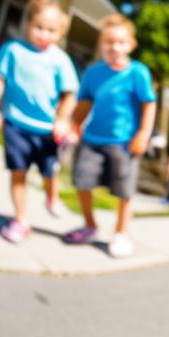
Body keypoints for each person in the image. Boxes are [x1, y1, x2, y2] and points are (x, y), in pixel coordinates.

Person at [0, 0, 79, 242]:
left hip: (47, 131)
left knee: (48, 172)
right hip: (16, 124)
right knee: (18, 172)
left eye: (51, 30)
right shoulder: (12, 50)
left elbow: (69, 95)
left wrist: (62, 120)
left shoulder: (60, 60)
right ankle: (20, 220)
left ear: (60, 33)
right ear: (28, 23)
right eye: (39, 27)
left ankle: (51, 196)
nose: (44, 34)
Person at [62, 14, 157, 258]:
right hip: (92, 139)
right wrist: (73, 126)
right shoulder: (93, 73)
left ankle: (121, 233)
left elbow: (148, 104)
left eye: (120, 42)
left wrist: (143, 134)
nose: (114, 47)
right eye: (108, 42)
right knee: (82, 182)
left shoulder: (138, 72)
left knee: (124, 191)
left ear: (131, 45)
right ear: (101, 44)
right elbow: (84, 103)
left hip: (124, 143)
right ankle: (89, 225)